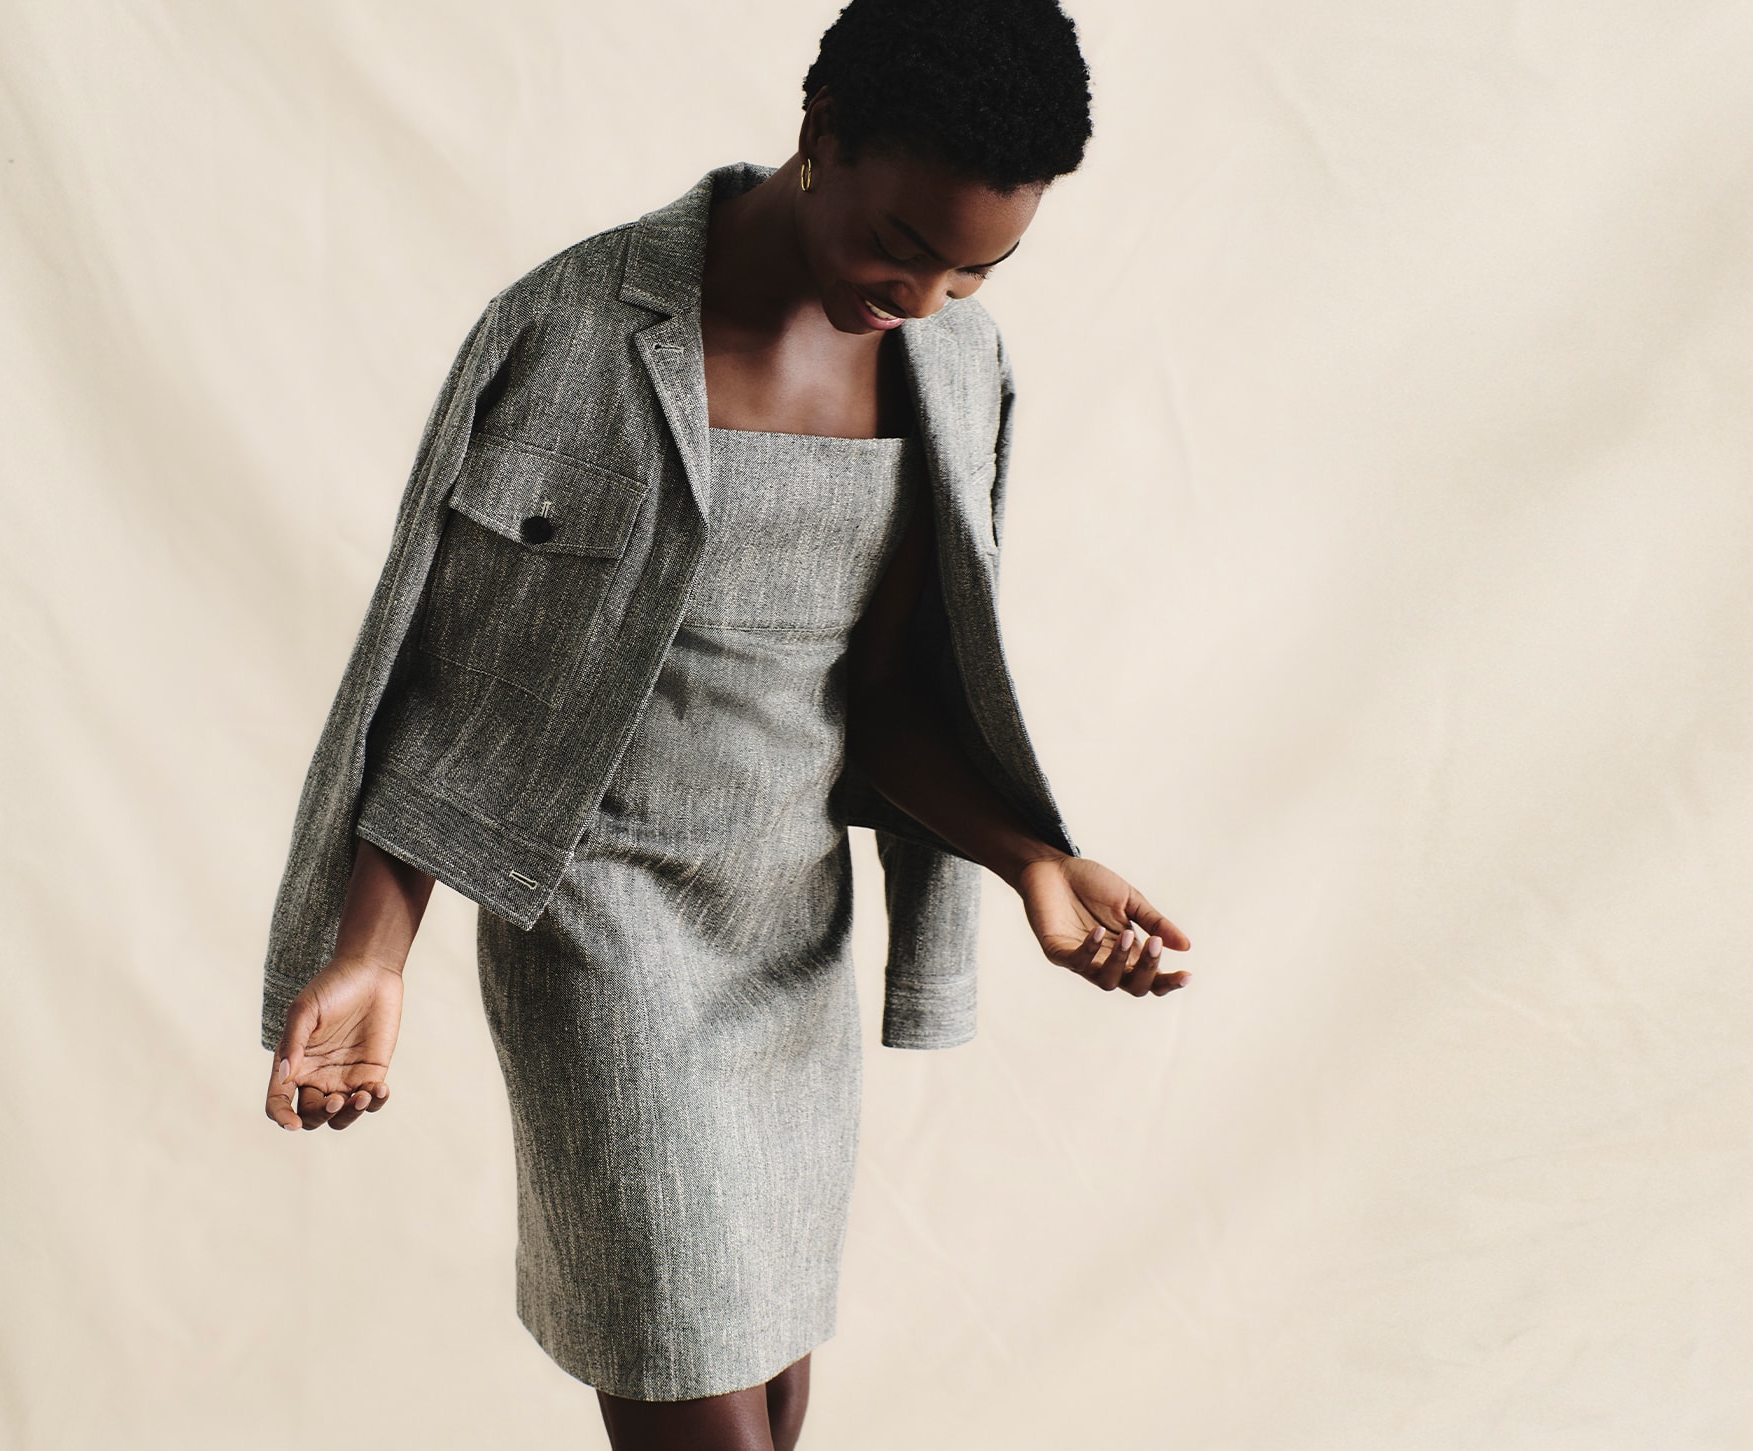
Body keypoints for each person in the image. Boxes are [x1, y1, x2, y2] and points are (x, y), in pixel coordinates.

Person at [247, 3, 1191, 1445]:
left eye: (977, 266)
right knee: (700, 1408)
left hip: (787, 945)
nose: (929, 296)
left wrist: (1030, 859)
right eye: (903, 243)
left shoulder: (954, 368)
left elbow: (879, 709)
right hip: (600, 930)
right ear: (820, 139)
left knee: (770, 1393)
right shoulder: (576, 333)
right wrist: (373, 951)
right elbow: (450, 682)